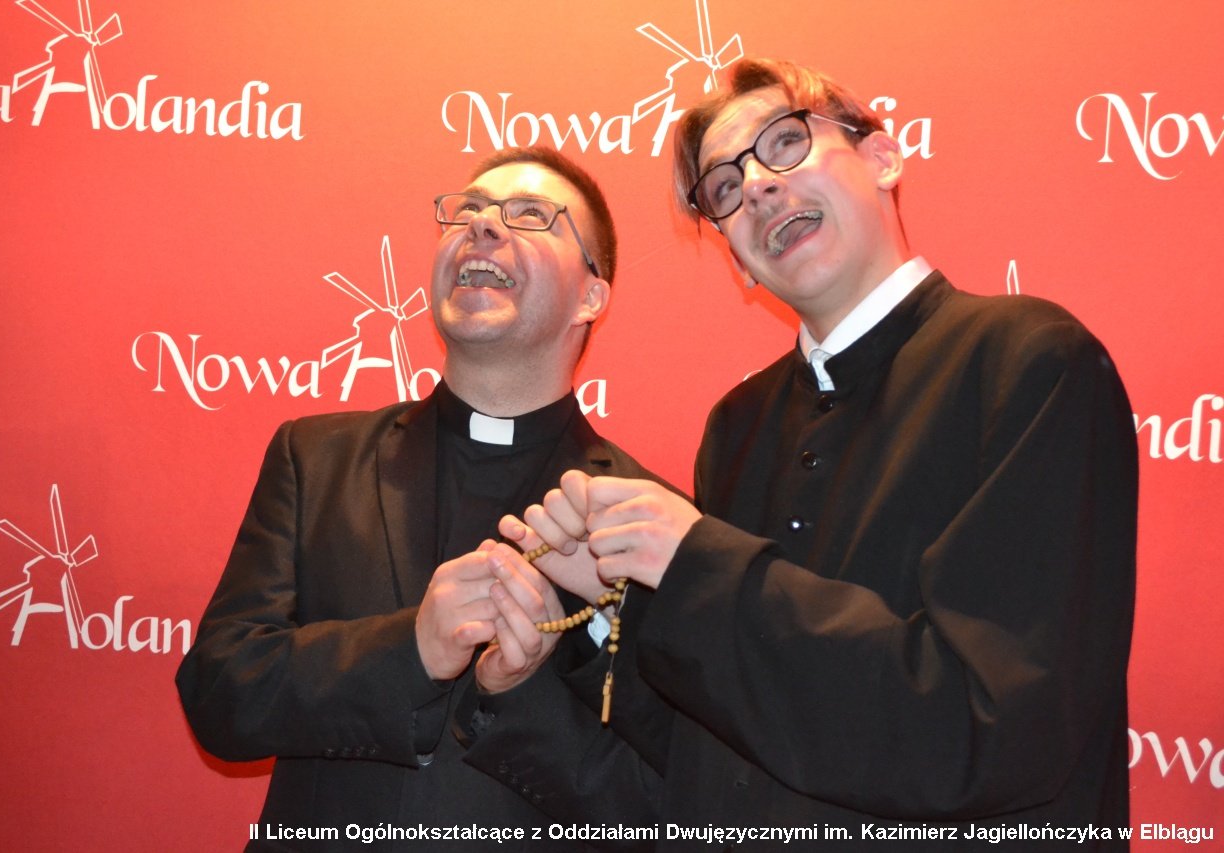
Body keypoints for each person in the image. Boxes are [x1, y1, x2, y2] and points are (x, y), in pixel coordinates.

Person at [502, 59, 1138, 849]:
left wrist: (697, 565)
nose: (758, 187)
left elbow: (991, 724)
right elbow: (717, 751)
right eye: (724, 188)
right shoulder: (736, 428)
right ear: (737, 260)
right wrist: (612, 609)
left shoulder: (1029, 362)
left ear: (883, 157)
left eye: (785, 142)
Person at [176, 146, 660, 852]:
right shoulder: (315, 458)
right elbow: (220, 696)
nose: (482, 226)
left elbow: (655, 805)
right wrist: (411, 650)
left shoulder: (649, 523)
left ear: (591, 296)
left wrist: (519, 691)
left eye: (531, 215)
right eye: (468, 210)